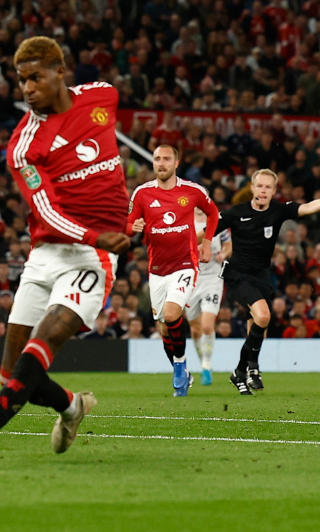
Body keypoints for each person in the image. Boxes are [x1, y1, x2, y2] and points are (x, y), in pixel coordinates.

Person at [0, 37, 131, 471]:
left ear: (60, 72)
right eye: (21, 80)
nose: (26, 88)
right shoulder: (25, 145)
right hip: (48, 252)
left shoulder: (103, 97)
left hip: (89, 260)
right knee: (11, 376)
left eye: (35, 77)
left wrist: (103, 237)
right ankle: (70, 406)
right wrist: (98, 234)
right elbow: (46, 211)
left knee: (40, 347)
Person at [213, 169, 320, 395]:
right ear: (252, 188)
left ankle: (242, 371)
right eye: (259, 186)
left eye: (268, 187)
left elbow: (309, 206)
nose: (263, 191)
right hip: (238, 275)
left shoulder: (278, 210)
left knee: (259, 328)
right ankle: (251, 368)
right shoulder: (236, 213)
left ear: (274, 191)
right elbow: (207, 230)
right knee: (263, 316)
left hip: (261, 275)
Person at [126, 144, 218, 395]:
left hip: (185, 264)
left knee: (171, 312)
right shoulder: (142, 193)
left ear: (177, 163)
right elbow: (127, 223)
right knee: (164, 328)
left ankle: (179, 367)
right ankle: (182, 369)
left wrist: (207, 242)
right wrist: (132, 227)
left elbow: (214, 214)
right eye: (157, 159)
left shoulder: (192, 191)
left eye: (167, 158)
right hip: (157, 269)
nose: (161, 163)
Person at [186, 207, 230, 385]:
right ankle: (202, 362)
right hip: (190, 279)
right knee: (195, 329)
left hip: (213, 279)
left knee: (206, 325)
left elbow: (228, 244)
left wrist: (224, 254)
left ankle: (206, 366)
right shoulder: (185, 221)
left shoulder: (218, 221)